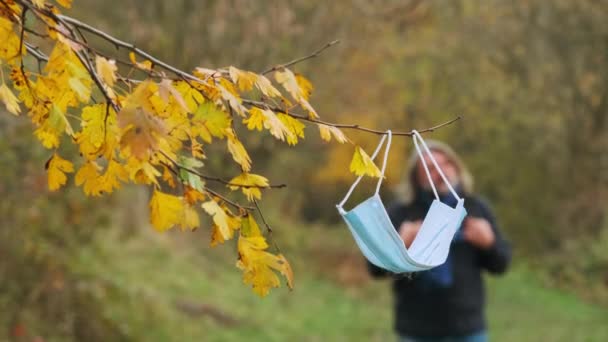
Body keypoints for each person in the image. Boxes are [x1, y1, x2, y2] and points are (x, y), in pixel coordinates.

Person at [368, 139, 511, 342]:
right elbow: (374, 270)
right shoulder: (402, 212)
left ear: (456, 167)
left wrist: (489, 244)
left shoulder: (475, 207)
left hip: (467, 327)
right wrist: (399, 245)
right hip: (416, 327)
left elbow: (501, 264)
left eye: (445, 164)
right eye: (430, 167)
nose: (440, 171)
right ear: (416, 178)